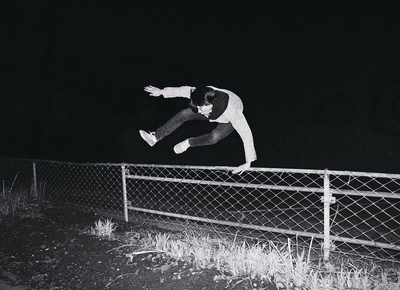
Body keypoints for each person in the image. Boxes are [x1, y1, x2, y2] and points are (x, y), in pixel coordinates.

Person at [140, 85, 257, 174]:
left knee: (214, 137)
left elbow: (245, 133)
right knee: (183, 114)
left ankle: (188, 143)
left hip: (228, 118)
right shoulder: (200, 94)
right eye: (198, 108)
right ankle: (155, 137)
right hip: (212, 107)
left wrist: (248, 162)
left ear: (210, 104)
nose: (199, 112)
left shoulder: (232, 112)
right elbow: (182, 90)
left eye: (201, 109)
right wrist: (161, 92)